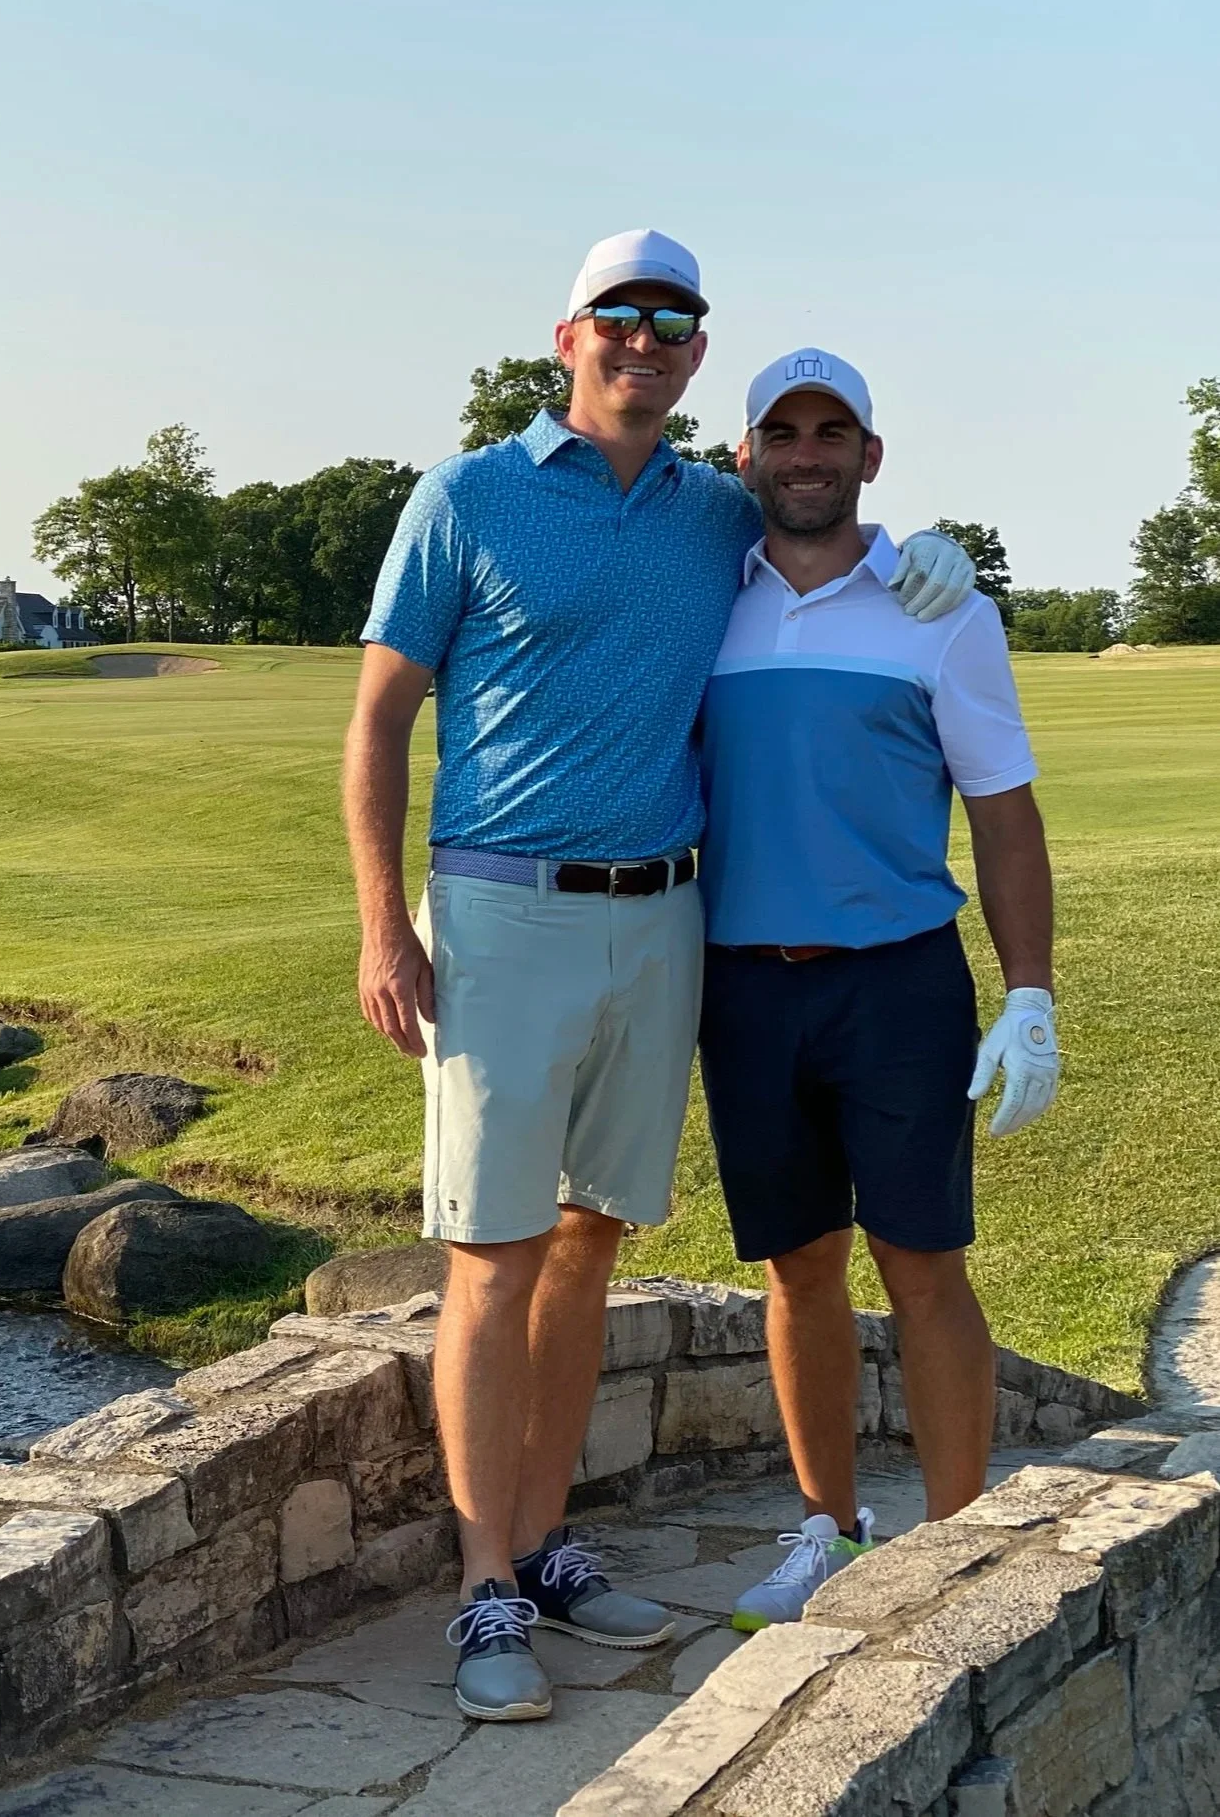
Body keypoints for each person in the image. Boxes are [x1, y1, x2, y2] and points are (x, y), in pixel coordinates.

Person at [342, 232, 980, 1723]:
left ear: (695, 354)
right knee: (491, 1255)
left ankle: (550, 1538)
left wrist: (921, 549)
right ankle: (484, 1579)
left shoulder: (710, 512)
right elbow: (377, 718)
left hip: (662, 917)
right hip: (500, 908)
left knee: (586, 1240)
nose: (642, 338)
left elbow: (823, 533)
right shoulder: (468, 495)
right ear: (566, 335)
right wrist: (383, 924)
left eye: (669, 320)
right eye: (616, 315)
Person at [694, 348, 1058, 1631]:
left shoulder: (937, 605)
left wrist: (1031, 993)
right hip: (740, 987)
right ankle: (829, 1531)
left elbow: (1004, 812)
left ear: (870, 455)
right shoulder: (705, 595)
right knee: (799, 1269)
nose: (805, 452)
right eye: (780, 432)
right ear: (744, 456)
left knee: (922, 1259)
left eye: (829, 431)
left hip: (897, 981)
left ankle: (957, 1549)